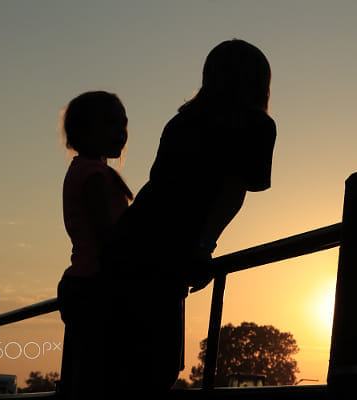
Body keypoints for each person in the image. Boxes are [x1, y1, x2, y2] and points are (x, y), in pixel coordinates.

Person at [102, 39, 276, 396]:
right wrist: (203, 246)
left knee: (121, 365)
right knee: (156, 368)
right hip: (165, 249)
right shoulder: (257, 125)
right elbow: (233, 192)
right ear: (260, 81)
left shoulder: (182, 120)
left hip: (129, 240)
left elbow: (161, 183)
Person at [56, 91, 133, 400]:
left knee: (87, 377)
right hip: (96, 286)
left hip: (85, 284)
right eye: (111, 124)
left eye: (124, 124)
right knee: (99, 380)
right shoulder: (94, 176)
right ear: (85, 130)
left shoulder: (86, 171)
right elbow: (108, 237)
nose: (121, 133)